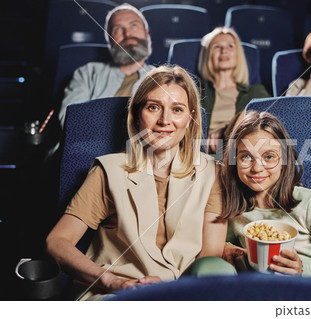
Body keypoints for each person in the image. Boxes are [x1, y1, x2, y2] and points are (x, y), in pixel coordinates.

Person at [46, 65, 238, 300]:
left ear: (190, 118)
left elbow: (209, 258)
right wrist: (111, 281)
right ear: (137, 116)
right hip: (114, 294)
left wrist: (173, 294)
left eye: (177, 110)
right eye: (153, 107)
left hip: (182, 295)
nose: (165, 120)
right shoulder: (109, 170)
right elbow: (57, 242)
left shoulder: (213, 173)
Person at [220, 111, 311, 286]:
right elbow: (226, 243)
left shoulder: (307, 201)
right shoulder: (234, 207)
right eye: (246, 157)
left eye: (269, 157)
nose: (257, 168)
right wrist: (225, 247)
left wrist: (302, 271)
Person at [58, 3, 155, 126]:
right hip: (88, 144)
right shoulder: (88, 73)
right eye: (118, 29)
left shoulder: (161, 79)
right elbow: (71, 121)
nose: (128, 34)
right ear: (110, 40)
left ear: (146, 33)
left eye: (134, 25)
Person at [197, 26, 270, 153]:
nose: (224, 50)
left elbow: (271, 125)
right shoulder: (196, 93)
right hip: (203, 156)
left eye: (230, 46)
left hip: (243, 154)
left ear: (238, 55)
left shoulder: (255, 92)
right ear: (208, 56)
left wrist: (223, 132)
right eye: (217, 47)